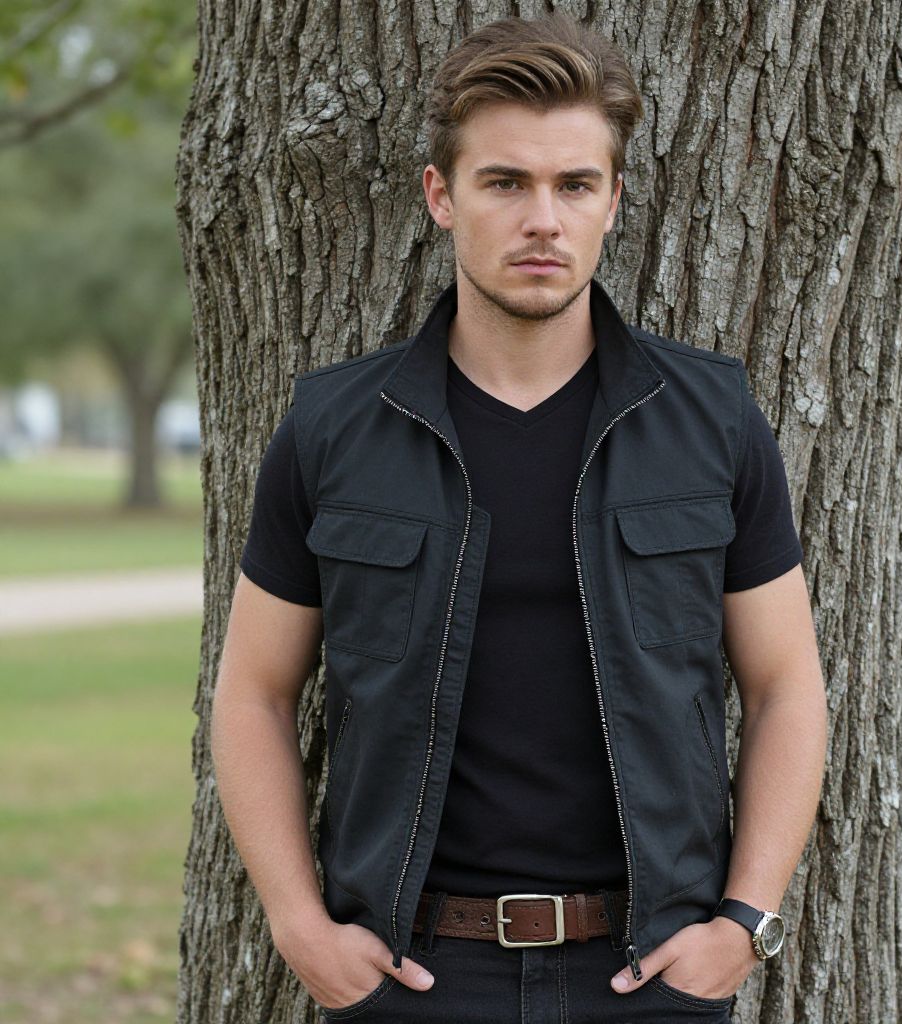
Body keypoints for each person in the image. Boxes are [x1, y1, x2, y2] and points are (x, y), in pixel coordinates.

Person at [210, 11, 828, 1023]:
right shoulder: (333, 428)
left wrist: (743, 922)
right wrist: (297, 923)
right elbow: (254, 691)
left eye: (574, 184)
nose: (542, 219)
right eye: (504, 183)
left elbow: (785, 684)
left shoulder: (711, 420)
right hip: (409, 976)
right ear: (441, 197)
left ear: (613, 201)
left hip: (652, 975)